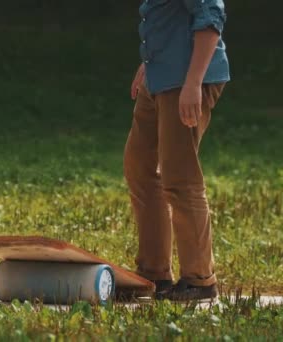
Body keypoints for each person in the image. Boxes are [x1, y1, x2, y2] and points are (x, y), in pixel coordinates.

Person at [124, 0, 230, 301]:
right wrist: (150, 62)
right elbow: (170, 20)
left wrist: (194, 83)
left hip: (186, 81)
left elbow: (210, 18)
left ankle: (199, 280)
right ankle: (154, 273)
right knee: (140, 167)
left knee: (179, 175)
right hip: (160, 77)